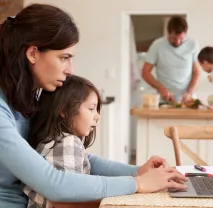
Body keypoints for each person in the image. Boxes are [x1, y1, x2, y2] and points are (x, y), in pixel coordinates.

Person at [0, 4, 187, 208]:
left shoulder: (29, 96)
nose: (71, 70)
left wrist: (137, 171)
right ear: (33, 53)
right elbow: (52, 182)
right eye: (64, 58)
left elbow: (80, 157)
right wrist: (137, 183)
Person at [141, 16, 200, 105]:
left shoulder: (193, 44)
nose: (177, 42)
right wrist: (160, 88)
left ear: (185, 33)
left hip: (188, 101)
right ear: (168, 33)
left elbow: (197, 72)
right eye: (174, 38)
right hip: (164, 101)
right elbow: (145, 72)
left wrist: (190, 92)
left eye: (181, 38)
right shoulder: (157, 45)